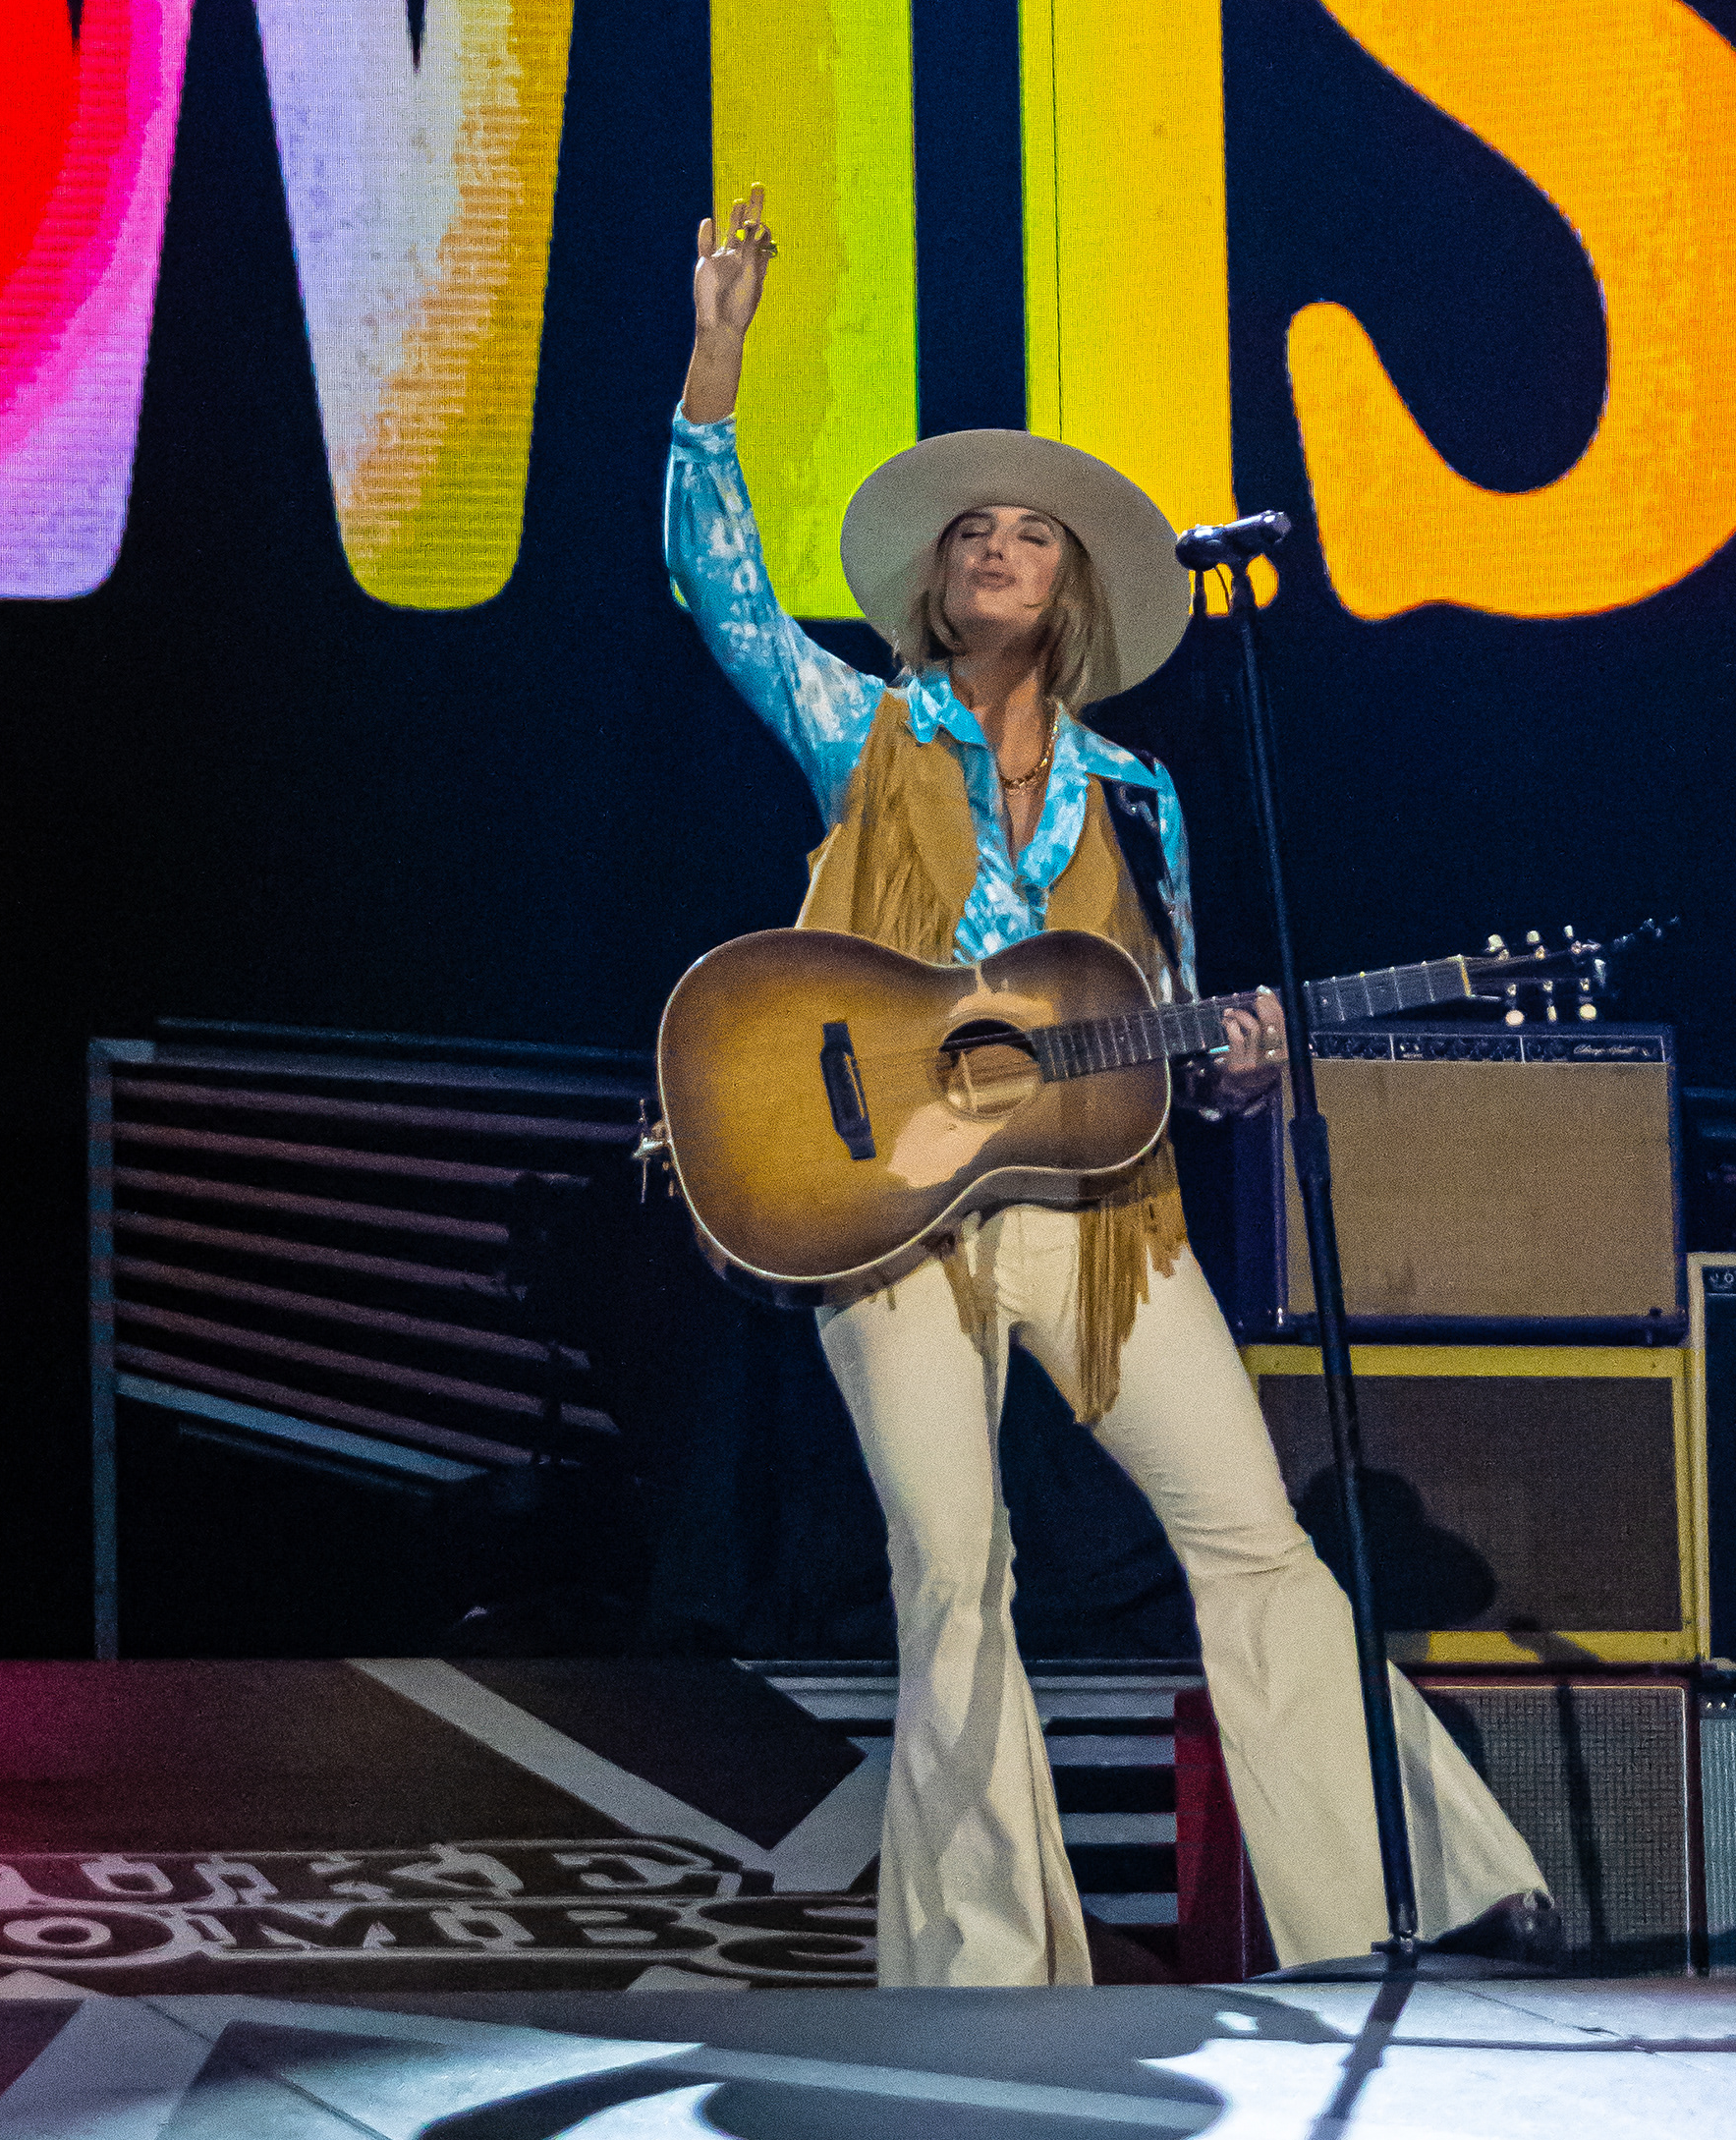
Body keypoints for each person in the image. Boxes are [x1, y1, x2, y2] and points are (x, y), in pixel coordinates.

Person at [663, 185, 1547, 1987]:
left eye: (1032, 535)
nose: (999, 548)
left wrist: (1235, 1056)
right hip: (894, 1213)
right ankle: (984, 1966)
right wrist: (719, 351)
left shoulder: (1141, 797)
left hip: (1098, 1218)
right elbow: (721, 592)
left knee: (1252, 1532)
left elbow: (1166, 1039)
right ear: (936, 577)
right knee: (956, 1566)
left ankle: (1402, 1889)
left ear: (1071, 587)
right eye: (972, 532)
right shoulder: (870, 726)